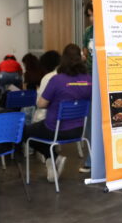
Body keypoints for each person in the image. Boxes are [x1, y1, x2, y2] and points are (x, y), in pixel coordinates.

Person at [23, 44, 90, 182]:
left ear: (63, 60)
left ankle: (53, 157)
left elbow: (41, 104)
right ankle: (53, 159)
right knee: (39, 131)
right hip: (79, 130)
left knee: (24, 132)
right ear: (81, 59)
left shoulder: (57, 80)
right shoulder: (89, 80)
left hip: (55, 129)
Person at [31, 50, 60, 124]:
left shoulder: (48, 77)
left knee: (25, 128)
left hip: (47, 119)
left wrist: (38, 91)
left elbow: (40, 104)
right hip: (66, 121)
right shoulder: (68, 76)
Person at [82, 1, 94, 75]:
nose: (91, 18)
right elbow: (85, 52)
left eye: (93, 15)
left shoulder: (106, 30)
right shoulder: (88, 31)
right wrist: (83, 56)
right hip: (89, 70)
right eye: (90, 15)